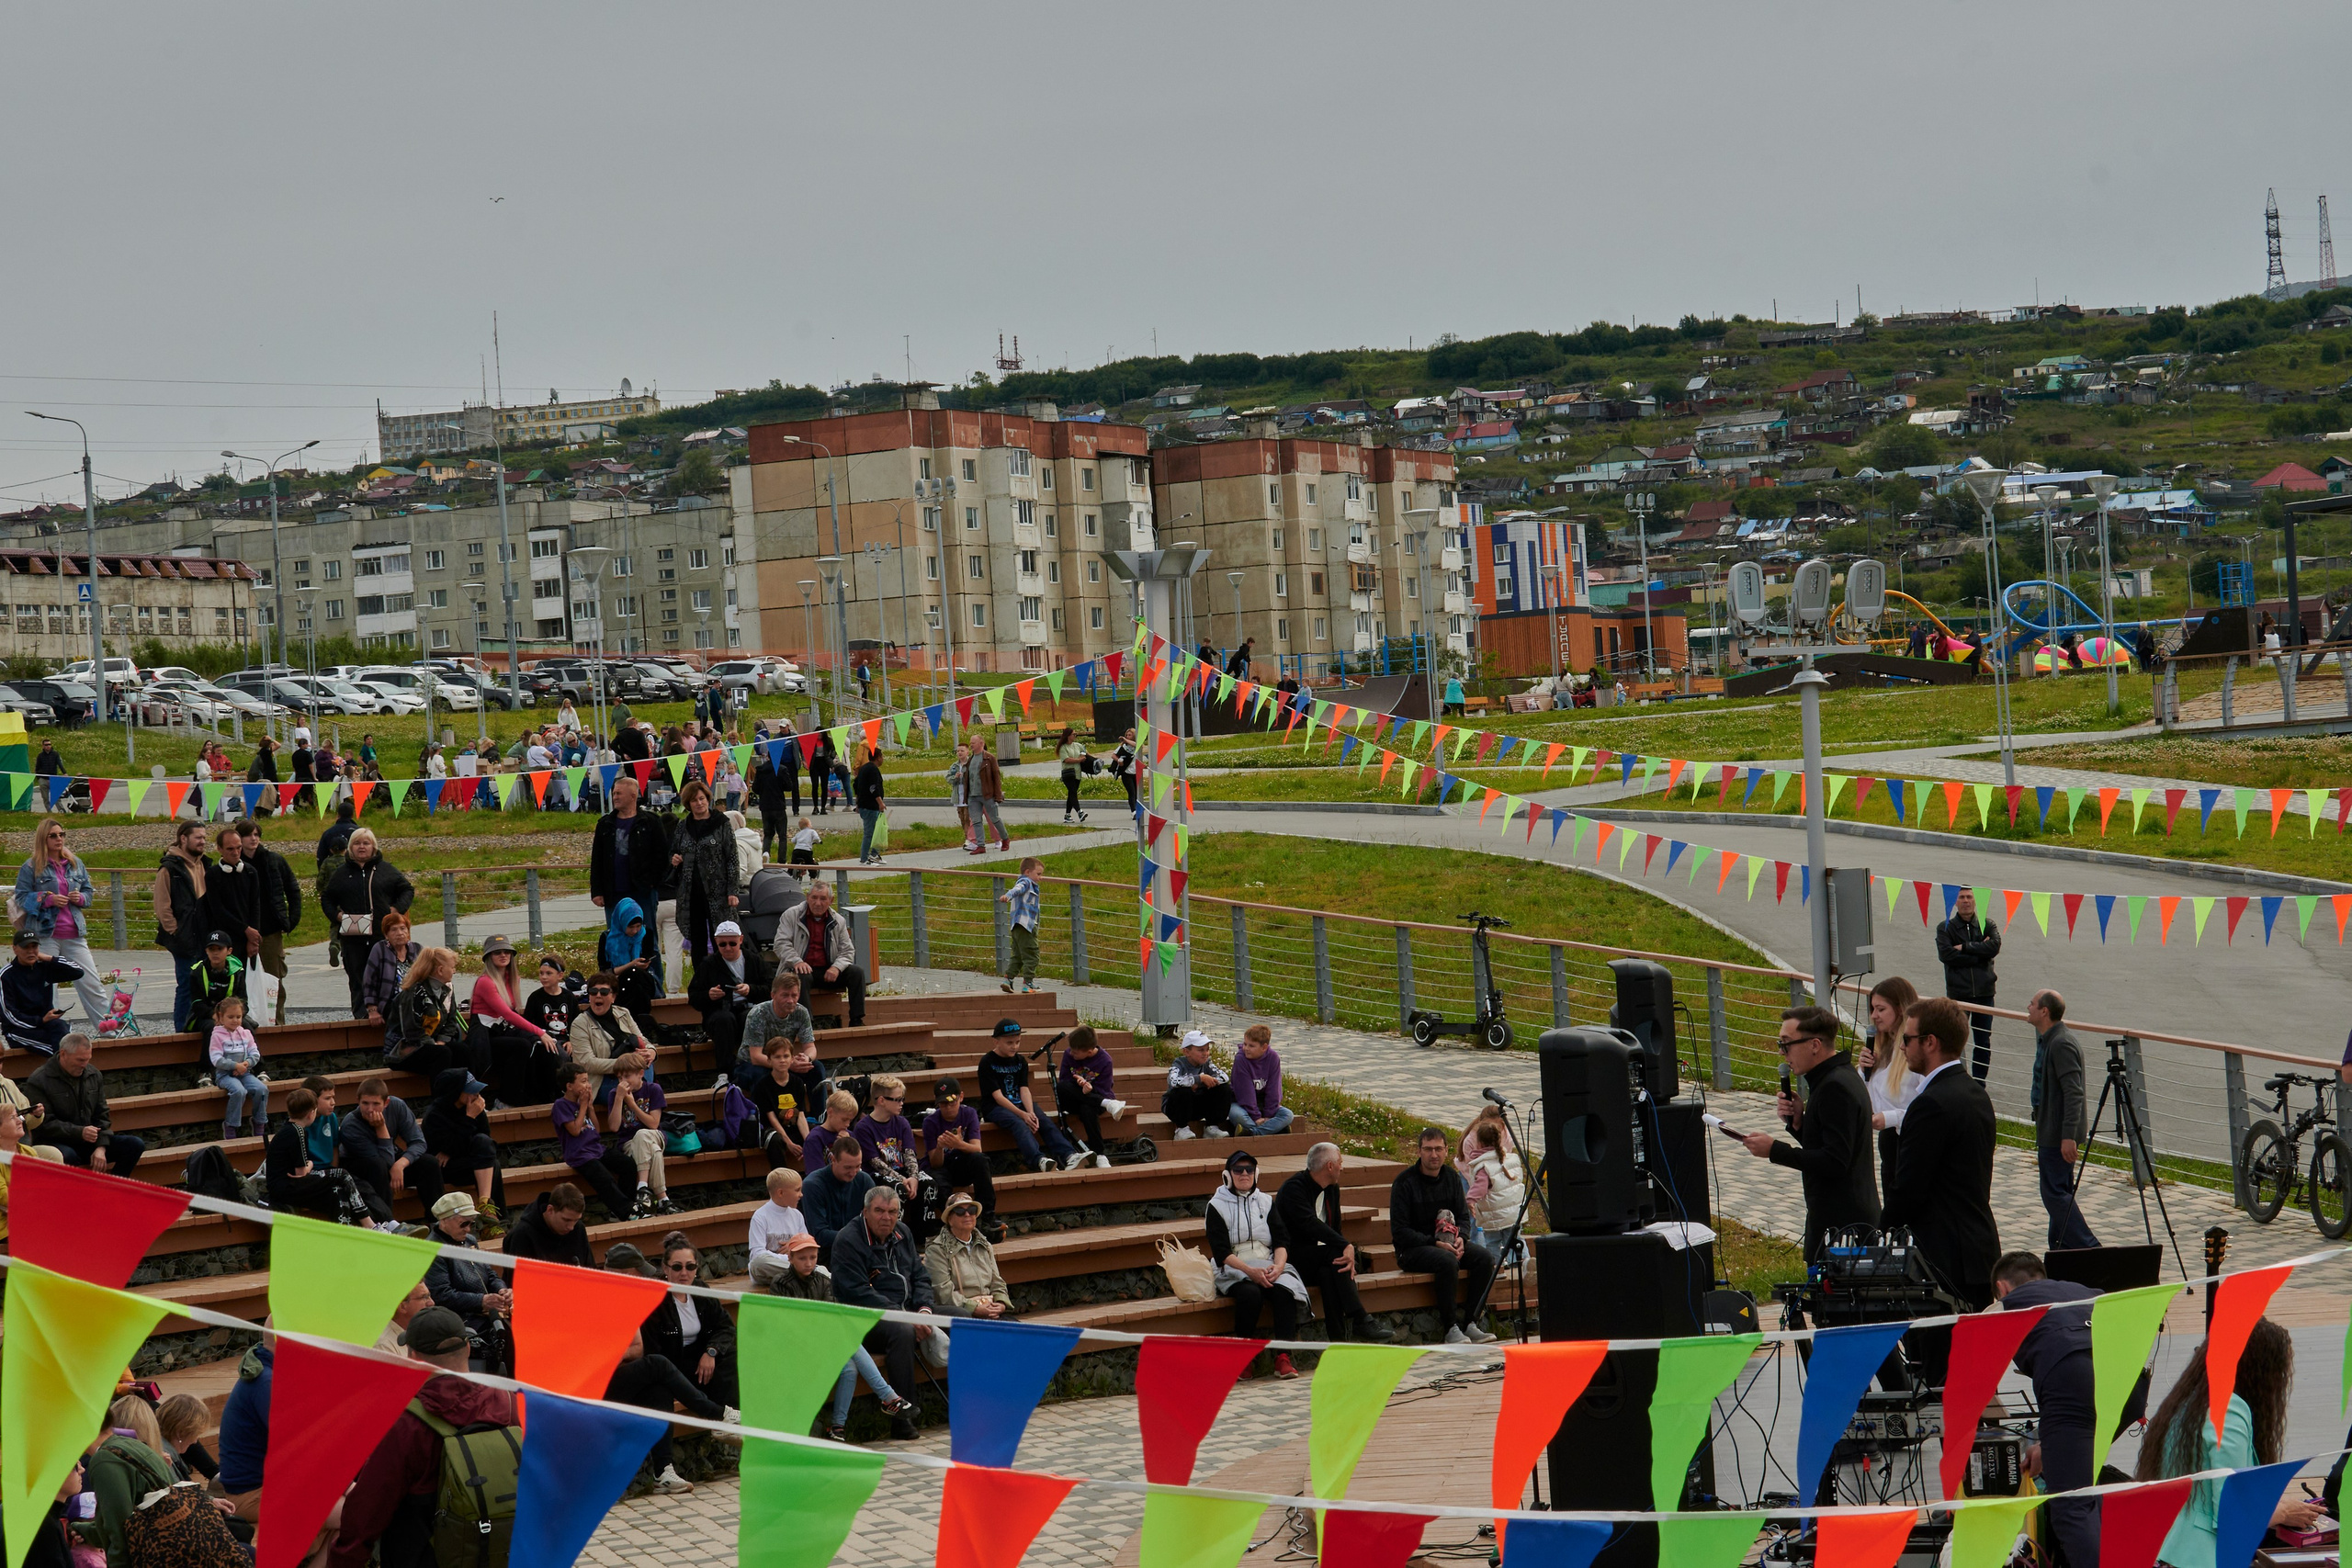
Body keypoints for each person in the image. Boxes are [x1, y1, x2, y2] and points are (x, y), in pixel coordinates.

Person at [328, 1307, 518, 1568]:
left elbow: (365, 1514)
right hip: (500, 1554)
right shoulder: (506, 1403)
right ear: (468, 1348)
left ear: (413, 1357)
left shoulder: (407, 1425)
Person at [2137, 1317, 2315, 1568]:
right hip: (2199, 1557)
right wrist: (2282, 1513)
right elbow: (2229, 1512)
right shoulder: (2228, 1410)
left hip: (2164, 1549)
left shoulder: (2184, 1403)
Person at [1880, 997, 2001, 1309]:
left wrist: (1878, 1237)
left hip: (1942, 1261)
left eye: (1907, 1039)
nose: (1902, 1047)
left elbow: (1910, 1187)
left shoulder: (1930, 1104)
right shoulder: (1975, 1093)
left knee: (1938, 1357)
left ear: (1930, 1042)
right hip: (1978, 1251)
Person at [1989, 1252, 2105, 1568]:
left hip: (2071, 1374)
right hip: (2130, 1378)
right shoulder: (2083, 1290)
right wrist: (2051, 1444)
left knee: (2071, 1506)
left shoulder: (2005, 1306)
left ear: (2002, 1288)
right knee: (2086, 1489)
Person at [1738, 1005, 1880, 1262]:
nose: (1782, 1053)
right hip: (1841, 1224)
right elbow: (1832, 1145)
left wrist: (1774, 1150)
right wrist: (1800, 1124)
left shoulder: (1835, 1087)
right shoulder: (1836, 1078)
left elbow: (1835, 1162)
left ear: (1815, 1044)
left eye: (1787, 1044)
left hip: (1843, 1231)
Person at [763, 1231, 919, 1441]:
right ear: (790, 1258)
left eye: (813, 1257)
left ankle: (837, 1428)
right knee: (846, 1337)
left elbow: (829, 1316)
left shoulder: (823, 1281)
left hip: (824, 1340)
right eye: (802, 1258)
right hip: (797, 1345)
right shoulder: (781, 1283)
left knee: (849, 1367)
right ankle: (887, 1396)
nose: (808, 1263)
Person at [828, 1185, 940, 1436]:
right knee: (901, 1332)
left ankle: (972, 1403)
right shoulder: (848, 1240)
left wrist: (923, 1311)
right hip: (864, 1320)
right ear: (865, 1211)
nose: (886, 1217)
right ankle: (901, 1419)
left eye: (892, 1212)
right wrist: (905, 1318)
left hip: (908, 1310)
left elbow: (921, 1276)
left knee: (961, 1318)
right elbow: (857, 1292)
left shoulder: (903, 1233)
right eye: (879, 1211)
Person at [1273, 1142, 1392, 1341]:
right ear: (1330, 1166)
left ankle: (1339, 1344)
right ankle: (1360, 1318)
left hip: (1321, 1260)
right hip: (1291, 1258)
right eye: (1340, 1162)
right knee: (1336, 1255)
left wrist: (1347, 1253)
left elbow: (1334, 1228)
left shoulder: (1332, 1188)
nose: (1342, 1167)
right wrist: (1345, 1247)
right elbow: (1309, 1224)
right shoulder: (1293, 1189)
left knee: (1331, 1271)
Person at [1390, 1126, 1498, 1344]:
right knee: (1447, 1261)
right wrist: (1435, 1243)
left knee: (1484, 1258)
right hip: (1412, 1250)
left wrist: (1462, 1238)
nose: (1434, 1154)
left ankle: (1471, 1323)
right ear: (1419, 1151)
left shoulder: (1450, 1177)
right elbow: (1400, 1232)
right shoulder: (1404, 1183)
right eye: (1428, 1149)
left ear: (1447, 1151)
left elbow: (1463, 1217)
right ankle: (1450, 1328)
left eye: (1438, 1149)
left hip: (1449, 1244)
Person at [1205, 1148, 1304, 1378]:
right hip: (1234, 1265)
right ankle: (1243, 1359)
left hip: (1267, 1261)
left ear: (1256, 1173)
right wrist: (1250, 1271)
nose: (1244, 1174)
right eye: (1238, 1170)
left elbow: (1281, 1240)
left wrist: (1278, 1267)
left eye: (1249, 1169)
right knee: (1251, 1294)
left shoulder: (1267, 1201)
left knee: (1284, 1292)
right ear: (1228, 1175)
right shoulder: (1216, 1206)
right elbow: (1221, 1252)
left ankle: (1283, 1358)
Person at [15, 818, 107, 1026]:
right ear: (43, 839)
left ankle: (108, 1030)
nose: (59, 839)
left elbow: (88, 892)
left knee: (91, 983)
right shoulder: (30, 867)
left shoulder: (75, 863)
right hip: (45, 935)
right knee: (48, 988)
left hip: (74, 934)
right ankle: (51, 1033)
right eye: (53, 835)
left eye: (62, 834)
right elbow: (21, 897)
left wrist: (80, 898)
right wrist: (47, 900)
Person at [2026, 988, 2098, 1252]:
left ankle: (2089, 1248)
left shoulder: (2061, 1043)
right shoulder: (2050, 1039)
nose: (2028, 1007)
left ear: (2044, 1011)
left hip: (2057, 1134)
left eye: (2032, 1004)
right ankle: (2060, 1252)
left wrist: (2068, 1136)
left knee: (2054, 1194)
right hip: (2051, 1130)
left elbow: (2073, 1092)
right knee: (2059, 1192)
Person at [552, 1059, 669, 1219]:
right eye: (584, 1081)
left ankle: (625, 1207)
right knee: (605, 1179)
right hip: (579, 1155)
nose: (588, 1085)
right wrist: (584, 1106)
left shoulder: (584, 1103)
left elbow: (596, 1130)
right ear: (569, 1086)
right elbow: (574, 1130)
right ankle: (627, 1212)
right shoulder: (561, 1105)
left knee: (627, 1165)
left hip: (596, 1149)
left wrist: (590, 1107)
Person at [322, 829, 414, 1021]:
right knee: (357, 977)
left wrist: (395, 910)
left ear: (373, 847)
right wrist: (337, 916)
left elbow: (407, 889)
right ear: (350, 847)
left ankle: (387, 1014)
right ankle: (361, 1017)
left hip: (381, 935)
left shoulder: (386, 870)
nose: (361, 847)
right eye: (357, 843)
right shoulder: (341, 873)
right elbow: (327, 899)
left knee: (384, 975)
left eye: (366, 843)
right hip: (353, 936)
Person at [646, 1234, 741, 1412]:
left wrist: (711, 1351)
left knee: (732, 1357)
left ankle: (732, 1417)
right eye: (677, 1267)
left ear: (697, 1268)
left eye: (690, 1267)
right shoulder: (656, 1298)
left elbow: (726, 1326)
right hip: (673, 1363)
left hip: (702, 1355)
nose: (684, 1273)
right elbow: (653, 1349)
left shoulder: (700, 1290)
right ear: (665, 1269)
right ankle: (721, 1418)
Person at [25, 1032, 142, 1175]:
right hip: (55, 1142)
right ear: (63, 1054)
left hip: (88, 1141)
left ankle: (113, 1192)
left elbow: (102, 1114)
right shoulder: (39, 1080)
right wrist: (79, 1132)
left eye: (87, 1059)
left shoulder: (93, 1074)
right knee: (67, 1156)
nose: (84, 1065)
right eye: (80, 1060)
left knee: (134, 1145)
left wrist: (101, 1146)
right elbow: (44, 1124)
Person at [978, 1017, 1080, 1171]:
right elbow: (997, 1097)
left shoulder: (1020, 1061)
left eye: (1017, 1042)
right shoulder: (987, 1062)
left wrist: (1031, 1113)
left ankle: (1069, 1155)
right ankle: (1038, 1160)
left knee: (1043, 1120)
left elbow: (1024, 1088)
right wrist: (1022, 1114)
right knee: (1019, 1123)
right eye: (1009, 1043)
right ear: (996, 1042)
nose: (1014, 1047)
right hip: (995, 1107)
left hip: (1020, 1103)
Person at [268, 1087, 377, 1225]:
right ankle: (369, 1224)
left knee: (336, 1191)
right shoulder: (298, 1133)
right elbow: (301, 1173)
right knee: (342, 1174)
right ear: (311, 1113)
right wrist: (311, 1164)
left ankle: (345, 1232)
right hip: (286, 1188)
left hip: (287, 1186)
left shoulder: (289, 1130)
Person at [1857, 976, 1922, 1204]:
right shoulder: (1883, 1050)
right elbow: (1871, 1101)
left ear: (1901, 1009)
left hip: (1913, 1143)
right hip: (1889, 1143)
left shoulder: (1916, 1055)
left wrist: (1891, 1117)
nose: (1874, 1016)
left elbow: (1928, 1108)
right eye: (1873, 1009)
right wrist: (1866, 1072)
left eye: (1881, 1009)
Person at [340, 1075, 442, 1220]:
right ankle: (387, 1223)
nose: (370, 1109)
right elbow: (385, 1163)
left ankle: (436, 1222)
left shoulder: (397, 1106)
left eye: (376, 1104)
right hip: (363, 1168)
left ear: (386, 1102)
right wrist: (381, 1127)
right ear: (358, 1101)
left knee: (429, 1163)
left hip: (388, 1161)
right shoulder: (350, 1126)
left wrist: (401, 1164)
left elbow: (419, 1142)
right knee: (378, 1166)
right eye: (365, 1103)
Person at [772, 878, 867, 1027]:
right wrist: (797, 961)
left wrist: (837, 967)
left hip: (828, 970)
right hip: (800, 968)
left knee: (857, 972)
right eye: (814, 898)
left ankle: (857, 1020)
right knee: (801, 976)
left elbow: (848, 950)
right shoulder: (791, 915)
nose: (818, 903)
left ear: (831, 900)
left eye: (823, 899)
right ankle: (807, 1023)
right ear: (807, 897)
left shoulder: (838, 920)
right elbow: (780, 944)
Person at [237, 818, 303, 1025]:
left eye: (257, 834)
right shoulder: (234, 864)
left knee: (274, 981)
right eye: (249, 834)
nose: (254, 838)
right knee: (242, 981)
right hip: (241, 932)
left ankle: (277, 1023)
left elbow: (292, 889)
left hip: (270, 930)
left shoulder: (274, 860)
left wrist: (291, 920)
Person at [670, 778, 741, 965]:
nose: (699, 803)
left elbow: (732, 858)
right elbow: (674, 850)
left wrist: (733, 891)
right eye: (694, 800)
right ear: (688, 803)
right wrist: (675, 859)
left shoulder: (721, 822)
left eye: (702, 798)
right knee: (698, 941)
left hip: (719, 892)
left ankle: (724, 976)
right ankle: (701, 982)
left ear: (708, 799)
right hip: (691, 893)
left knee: (721, 937)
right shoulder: (683, 826)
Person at [691, 919, 773, 1081]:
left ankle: (753, 1064)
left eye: (732, 943)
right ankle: (725, 1072)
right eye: (723, 944)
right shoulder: (708, 964)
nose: (728, 948)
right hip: (719, 1012)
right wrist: (709, 995)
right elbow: (693, 997)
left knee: (751, 1016)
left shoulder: (754, 960)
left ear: (741, 940)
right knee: (724, 1019)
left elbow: (771, 987)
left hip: (748, 1007)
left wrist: (751, 989)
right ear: (716, 943)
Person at [151, 818, 212, 1032]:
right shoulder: (169, 868)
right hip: (184, 938)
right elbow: (162, 905)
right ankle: (181, 1030)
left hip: (205, 936)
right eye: (198, 837)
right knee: (186, 985)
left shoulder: (206, 864)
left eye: (204, 837)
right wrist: (175, 931)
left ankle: (200, 1027)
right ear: (183, 838)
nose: (203, 842)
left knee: (204, 986)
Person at [421, 1070, 504, 1224]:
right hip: (447, 1169)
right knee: (492, 1164)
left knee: (490, 1156)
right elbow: (448, 1146)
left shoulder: (475, 1106)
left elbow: (486, 1140)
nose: (477, 1094)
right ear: (455, 1092)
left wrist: (450, 1151)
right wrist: (469, 1118)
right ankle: (492, 1221)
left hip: (469, 1160)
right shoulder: (435, 1116)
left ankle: (487, 1208)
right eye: (471, 1091)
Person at [1935, 888, 2002, 1081]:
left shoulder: (1987, 925)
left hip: (1985, 994)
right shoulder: (1945, 928)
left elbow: (1994, 947)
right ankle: (1957, 1081)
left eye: (1969, 897)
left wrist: (1965, 947)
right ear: (1955, 902)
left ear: (1975, 900)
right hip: (1959, 994)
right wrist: (1980, 956)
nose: (1966, 901)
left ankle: (1979, 1084)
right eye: (1962, 897)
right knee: (1954, 1041)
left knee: (1982, 1042)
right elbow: (1946, 956)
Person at [589, 774, 673, 929]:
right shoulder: (605, 824)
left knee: (646, 937)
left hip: (642, 892)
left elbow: (662, 855)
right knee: (616, 937)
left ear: (633, 795)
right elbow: (597, 860)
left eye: (619, 793)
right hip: (612, 892)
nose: (615, 797)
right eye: (614, 793)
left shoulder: (651, 822)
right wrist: (596, 891)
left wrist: (653, 883)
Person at [922, 1077, 1000, 1236]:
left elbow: (977, 1148)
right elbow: (935, 1163)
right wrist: (939, 1147)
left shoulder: (969, 1113)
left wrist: (958, 1144)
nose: (949, 1108)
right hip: (942, 1166)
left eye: (953, 1102)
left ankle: (987, 1217)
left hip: (962, 1161)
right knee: (938, 1180)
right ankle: (952, 1223)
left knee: (981, 1161)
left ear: (961, 1097)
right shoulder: (930, 1122)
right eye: (944, 1104)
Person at [571, 967, 656, 1100]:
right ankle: (645, 1108)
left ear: (613, 997)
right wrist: (625, 1065)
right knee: (642, 1084)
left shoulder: (623, 1013)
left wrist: (652, 1052)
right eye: (593, 992)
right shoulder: (580, 1024)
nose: (598, 995)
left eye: (604, 992)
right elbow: (587, 1063)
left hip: (630, 1075)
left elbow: (643, 1040)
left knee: (646, 1063)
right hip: (601, 1081)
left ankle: (642, 1106)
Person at [924, 1192, 1012, 1317]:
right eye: (960, 1211)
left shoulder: (985, 1245)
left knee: (1018, 1332)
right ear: (950, 1219)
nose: (967, 1215)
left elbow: (997, 1281)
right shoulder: (937, 1249)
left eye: (972, 1210)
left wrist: (1001, 1303)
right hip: (959, 1311)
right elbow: (942, 1292)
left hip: (990, 1308)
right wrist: (974, 1308)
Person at [2, 928, 83, 1055]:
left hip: (46, 1023)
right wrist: (41, 1020)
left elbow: (78, 971)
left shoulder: (43, 967)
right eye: (25, 947)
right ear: (15, 949)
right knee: (65, 1049)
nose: (30, 951)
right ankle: (64, 1070)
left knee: (62, 1032)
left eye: (34, 947)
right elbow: (9, 1015)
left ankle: (66, 1069)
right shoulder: (6, 976)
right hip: (19, 1030)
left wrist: (50, 958)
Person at [386, 947, 463, 1078]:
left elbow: (451, 1021)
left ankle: (468, 1094)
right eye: (452, 967)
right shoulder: (414, 992)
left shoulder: (447, 989)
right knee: (442, 1054)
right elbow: (411, 1031)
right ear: (440, 970)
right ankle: (441, 1096)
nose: (454, 971)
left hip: (432, 1046)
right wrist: (434, 1045)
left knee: (462, 1051)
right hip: (406, 1051)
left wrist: (441, 1041)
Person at [736, 969, 818, 1093]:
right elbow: (755, 1057)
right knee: (764, 1077)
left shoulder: (801, 1012)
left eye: (794, 995)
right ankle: (763, 1113)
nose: (790, 1000)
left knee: (817, 1069)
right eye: (785, 995)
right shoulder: (758, 1014)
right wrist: (789, 1064)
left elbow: (811, 1047)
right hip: (751, 1064)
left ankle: (820, 1112)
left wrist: (806, 1059)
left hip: (784, 1061)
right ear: (773, 995)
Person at [803, 1130, 877, 1258]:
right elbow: (819, 1234)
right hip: (826, 1253)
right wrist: (857, 1237)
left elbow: (875, 1220)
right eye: (848, 1167)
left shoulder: (864, 1180)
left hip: (860, 1248)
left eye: (858, 1166)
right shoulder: (813, 1185)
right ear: (833, 1159)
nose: (853, 1172)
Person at [1055, 1027, 1125, 1162]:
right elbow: (1064, 1080)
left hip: (1095, 1096)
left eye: (1075, 1053)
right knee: (1061, 1087)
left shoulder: (1105, 1061)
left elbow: (1104, 1089)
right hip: (1075, 1097)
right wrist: (1078, 1084)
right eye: (1071, 1051)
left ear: (1089, 1051)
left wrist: (1089, 1089)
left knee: (1088, 1108)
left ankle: (1099, 1154)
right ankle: (1108, 1104)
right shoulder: (1068, 1054)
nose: (1072, 1054)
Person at [207, 994, 266, 1143]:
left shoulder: (245, 1033)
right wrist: (235, 1065)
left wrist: (245, 1064)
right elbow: (216, 1059)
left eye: (238, 1017)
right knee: (239, 1091)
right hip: (225, 1075)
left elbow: (255, 1053)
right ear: (221, 1017)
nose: (235, 1020)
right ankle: (230, 1125)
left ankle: (259, 1121)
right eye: (231, 1017)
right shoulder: (217, 1036)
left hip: (245, 1073)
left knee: (261, 1089)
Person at [1462, 1120, 1527, 1252]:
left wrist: (1470, 1200)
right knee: (1515, 1240)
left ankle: (1496, 1267)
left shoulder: (1483, 1165)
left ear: (1479, 1142)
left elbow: (1481, 1186)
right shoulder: (1509, 1159)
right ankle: (1522, 1262)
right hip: (1514, 1212)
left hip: (1494, 1215)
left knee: (1492, 1242)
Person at [596, 897, 664, 1021]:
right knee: (634, 981)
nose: (635, 931)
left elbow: (649, 959)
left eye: (638, 926)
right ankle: (641, 1021)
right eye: (631, 927)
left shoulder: (646, 934)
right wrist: (631, 965)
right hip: (619, 982)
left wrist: (643, 965)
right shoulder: (607, 938)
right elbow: (605, 972)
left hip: (644, 979)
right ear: (622, 922)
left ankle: (626, 1022)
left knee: (635, 976)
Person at [501, 1181, 594, 1267]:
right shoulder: (522, 1235)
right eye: (566, 1220)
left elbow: (591, 1271)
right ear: (550, 1210)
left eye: (576, 1220)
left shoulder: (578, 1229)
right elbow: (517, 1282)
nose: (571, 1227)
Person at [745, 1167, 810, 1286]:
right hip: (769, 1271)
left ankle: (810, 1274)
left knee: (818, 1267)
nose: (801, 1194)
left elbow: (807, 1246)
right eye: (797, 1190)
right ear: (780, 1193)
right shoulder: (760, 1216)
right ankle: (806, 1273)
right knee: (759, 1262)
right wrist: (790, 1258)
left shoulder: (797, 1215)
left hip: (793, 1266)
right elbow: (757, 1254)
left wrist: (792, 1247)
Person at [359, 910, 424, 1028]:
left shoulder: (417, 949)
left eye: (403, 928)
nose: (400, 933)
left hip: (416, 1002)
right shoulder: (380, 949)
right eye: (394, 930)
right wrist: (372, 1010)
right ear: (386, 935)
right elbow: (369, 981)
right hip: (391, 1004)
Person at [1164, 1031, 1234, 1138]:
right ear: (1187, 1052)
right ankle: (1181, 1129)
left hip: (1199, 1107)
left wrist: (1202, 1082)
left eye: (1207, 1049)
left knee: (1224, 1088)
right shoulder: (1179, 1064)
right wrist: (1199, 1078)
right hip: (1177, 1109)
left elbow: (1224, 1077)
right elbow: (1174, 1081)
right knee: (1182, 1090)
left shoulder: (1207, 1064)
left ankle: (1212, 1127)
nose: (1205, 1053)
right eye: (1201, 1050)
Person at [1229, 1023, 1293, 1135]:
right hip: (1242, 1104)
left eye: (1251, 1046)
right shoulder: (1241, 1059)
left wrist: (1269, 1115)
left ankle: (1251, 1133)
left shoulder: (1273, 1058)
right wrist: (1256, 1117)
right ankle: (1274, 1130)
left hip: (1264, 1104)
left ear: (1264, 1047)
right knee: (1237, 1115)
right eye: (1245, 1044)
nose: (1246, 1049)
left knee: (1288, 1115)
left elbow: (1274, 1089)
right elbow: (1245, 1092)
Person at [999, 856, 1045, 994]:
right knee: (1032, 955)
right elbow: (1017, 889)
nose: (1040, 878)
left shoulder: (1029, 882)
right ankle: (1028, 983)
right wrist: (1008, 895)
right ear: (1027, 872)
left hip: (1017, 926)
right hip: (1025, 926)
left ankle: (1008, 980)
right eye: (1038, 874)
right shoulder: (1026, 882)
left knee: (1018, 955)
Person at [963, 735, 1010, 854]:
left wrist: (998, 795)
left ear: (981, 743)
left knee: (995, 819)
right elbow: (968, 778)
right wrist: (966, 795)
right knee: (976, 820)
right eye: (970, 742)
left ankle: (1005, 839)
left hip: (987, 794)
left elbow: (996, 778)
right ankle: (981, 846)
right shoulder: (970, 760)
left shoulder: (989, 758)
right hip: (973, 796)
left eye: (973, 742)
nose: (971, 745)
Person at [800, 1088, 862, 1176]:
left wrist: (849, 1145)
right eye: (844, 1120)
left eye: (850, 1120)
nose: (848, 1124)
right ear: (830, 1112)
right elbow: (815, 1174)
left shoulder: (850, 1136)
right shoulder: (815, 1138)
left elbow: (857, 1169)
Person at [853, 743, 888, 864]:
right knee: (870, 833)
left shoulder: (864, 768)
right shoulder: (873, 769)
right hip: (871, 806)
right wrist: (880, 803)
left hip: (863, 805)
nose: (883, 759)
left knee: (874, 832)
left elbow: (856, 785)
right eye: (882, 756)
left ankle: (874, 854)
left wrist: (858, 802)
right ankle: (865, 857)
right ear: (878, 757)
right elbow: (873, 788)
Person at [1055, 728, 1090, 824]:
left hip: (1077, 773)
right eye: (1073, 734)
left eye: (1075, 734)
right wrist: (1079, 760)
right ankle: (1080, 812)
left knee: (1071, 794)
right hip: (1068, 774)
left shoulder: (1077, 745)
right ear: (1068, 736)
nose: (1075, 736)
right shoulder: (1063, 747)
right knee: (1073, 793)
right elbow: (1066, 759)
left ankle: (1067, 815)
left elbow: (1085, 753)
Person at [1109, 728, 1139, 815]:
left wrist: (1125, 740)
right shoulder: (1123, 746)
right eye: (1127, 735)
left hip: (1136, 772)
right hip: (1126, 773)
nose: (1127, 736)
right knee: (1131, 792)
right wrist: (1119, 760)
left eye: (1130, 735)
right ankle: (1133, 811)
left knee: (1137, 793)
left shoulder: (1136, 745)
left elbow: (1136, 745)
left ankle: (1137, 810)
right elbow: (1113, 755)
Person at [787, 815, 820, 879]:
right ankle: (813, 877)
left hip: (796, 851)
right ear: (808, 825)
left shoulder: (799, 833)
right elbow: (816, 839)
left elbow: (793, 840)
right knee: (810, 864)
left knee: (793, 863)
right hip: (806, 851)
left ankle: (789, 874)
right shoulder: (812, 831)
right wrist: (819, 842)